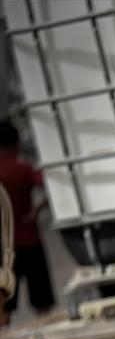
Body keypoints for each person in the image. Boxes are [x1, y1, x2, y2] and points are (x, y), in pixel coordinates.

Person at [0, 119, 55, 319]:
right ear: (16, 143)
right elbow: (52, 187)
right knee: (43, 306)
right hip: (30, 241)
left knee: (3, 309)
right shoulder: (23, 168)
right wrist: (36, 210)